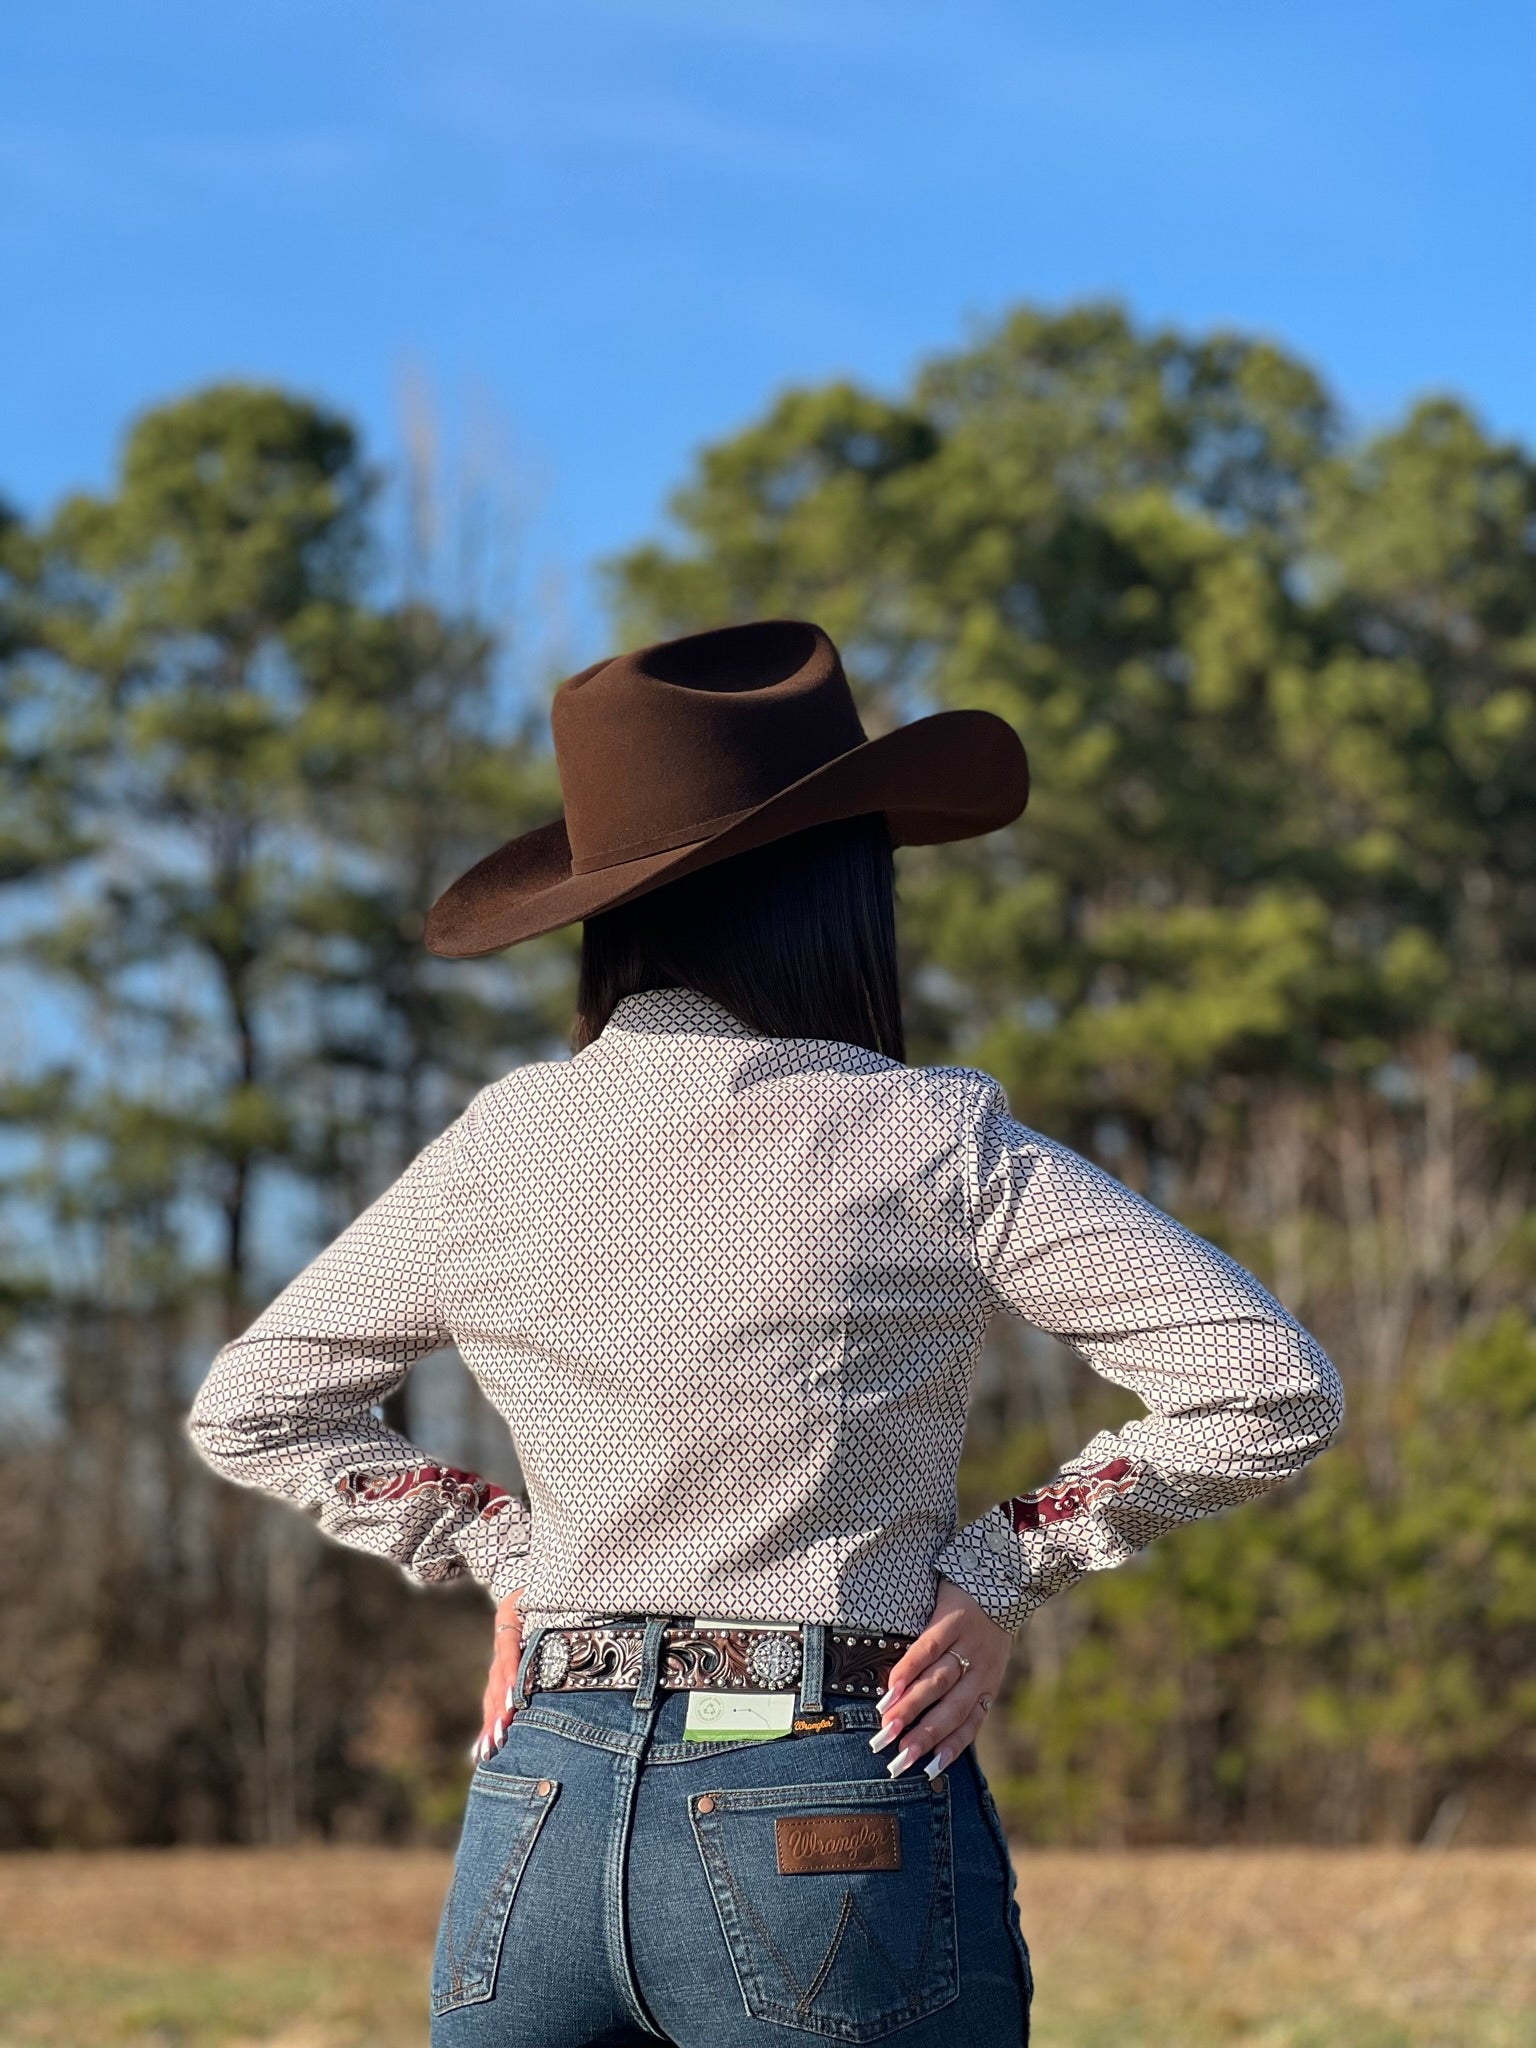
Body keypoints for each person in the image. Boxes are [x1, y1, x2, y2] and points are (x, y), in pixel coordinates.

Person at [188, 618, 1344, 2047]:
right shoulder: (927, 1136)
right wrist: (1002, 1566)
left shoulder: (504, 1142)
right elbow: (1269, 1384)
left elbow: (251, 1406)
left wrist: (512, 1558)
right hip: (826, 1799)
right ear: (835, 888)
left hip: (536, 1801)